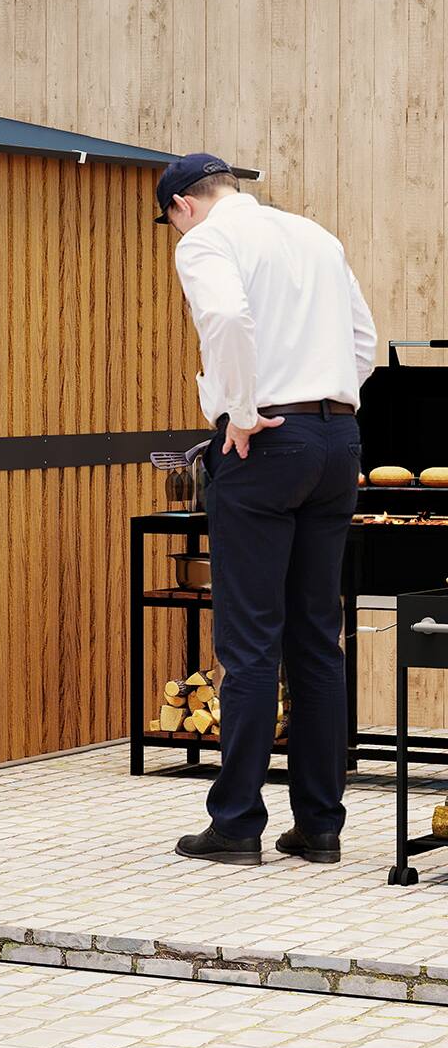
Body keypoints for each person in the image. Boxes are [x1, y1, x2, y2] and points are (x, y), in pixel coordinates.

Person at [155, 152, 376, 868]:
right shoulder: (315, 235)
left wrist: (243, 412)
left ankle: (238, 823)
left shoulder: (205, 240)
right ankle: (321, 824)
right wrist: (329, 404)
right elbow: (364, 343)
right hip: (338, 437)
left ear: (183, 204)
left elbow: (222, 313)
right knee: (316, 636)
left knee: (249, 640)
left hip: (266, 444)